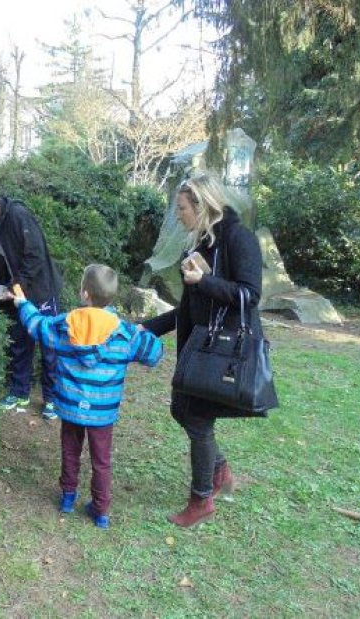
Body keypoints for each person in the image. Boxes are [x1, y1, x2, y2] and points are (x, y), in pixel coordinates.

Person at [141, 172, 264, 528]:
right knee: (182, 410)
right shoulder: (198, 246)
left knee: (195, 418)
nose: (177, 215)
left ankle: (201, 500)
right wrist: (148, 327)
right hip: (195, 347)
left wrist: (205, 281)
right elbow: (187, 309)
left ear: (202, 205)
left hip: (220, 350)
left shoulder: (239, 239)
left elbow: (250, 295)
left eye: (181, 208)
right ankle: (220, 471)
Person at [11, 265, 163, 529]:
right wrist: (142, 333)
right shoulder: (124, 332)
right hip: (103, 412)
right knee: (102, 460)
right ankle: (101, 510)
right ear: (111, 298)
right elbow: (154, 354)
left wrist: (23, 303)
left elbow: (37, 326)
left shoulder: (65, 324)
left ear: (84, 294)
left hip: (70, 405)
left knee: (70, 451)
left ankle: (68, 497)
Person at [0, 187, 64, 421]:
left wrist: (16, 286)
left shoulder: (18, 215)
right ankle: (19, 392)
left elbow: (35, 255)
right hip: (16, 293)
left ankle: (52, 399)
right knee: (19, 342)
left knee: (49, 345)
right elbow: (1, 259)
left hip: (41, 290)